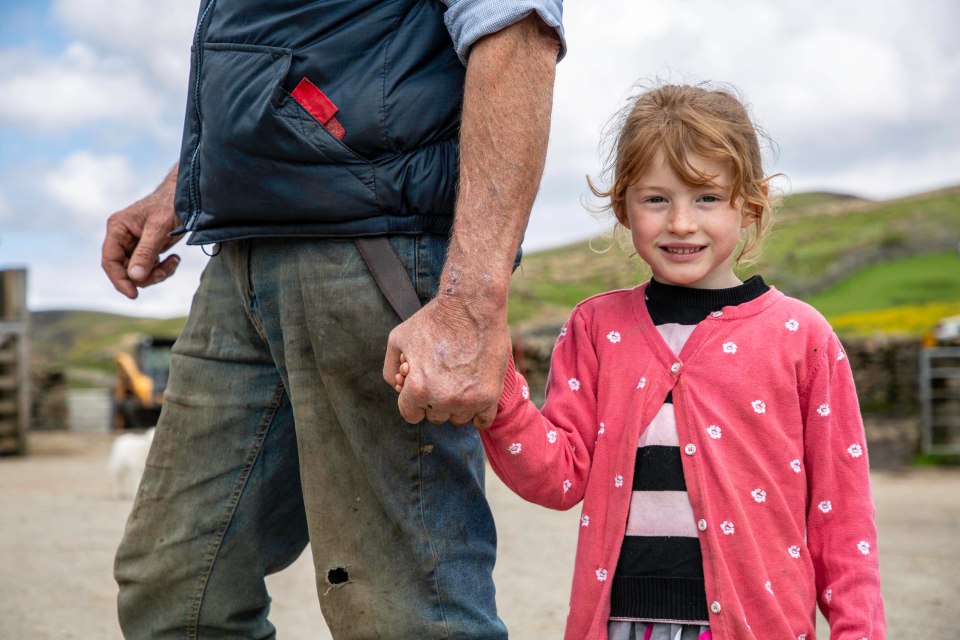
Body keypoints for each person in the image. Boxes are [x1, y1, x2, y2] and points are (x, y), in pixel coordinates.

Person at [101, 1, 563, 638]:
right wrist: (186, 185)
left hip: (378, 250)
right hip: (240, 255)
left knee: (403, 615)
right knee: (178, 594)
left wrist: (470, 303)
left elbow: (516, 27)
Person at [397, 83, 886, 639]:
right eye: (657, 199)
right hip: (622, 625)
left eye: (706, 198)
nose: (681, 222)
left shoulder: (802, 337)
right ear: (623, 207)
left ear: (749, 204)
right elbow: (559, 476)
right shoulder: (596, 328)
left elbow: (841, 518)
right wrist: (497, 389)